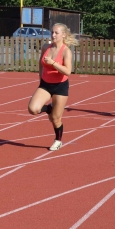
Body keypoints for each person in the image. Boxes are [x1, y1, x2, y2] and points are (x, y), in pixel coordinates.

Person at [27, 23, 79, 151]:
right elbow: (41, 63)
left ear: (63, 35)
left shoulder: (66, 51)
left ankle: (58, 140)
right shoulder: (46, 47)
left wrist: (54, 63)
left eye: (56, 33)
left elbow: (68, 71)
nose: (53, 35)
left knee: (56, 119)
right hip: (45, 84)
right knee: (33, 109)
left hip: (60, 87)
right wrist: (40, 79)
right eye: (52, 32)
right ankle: (49, 109)